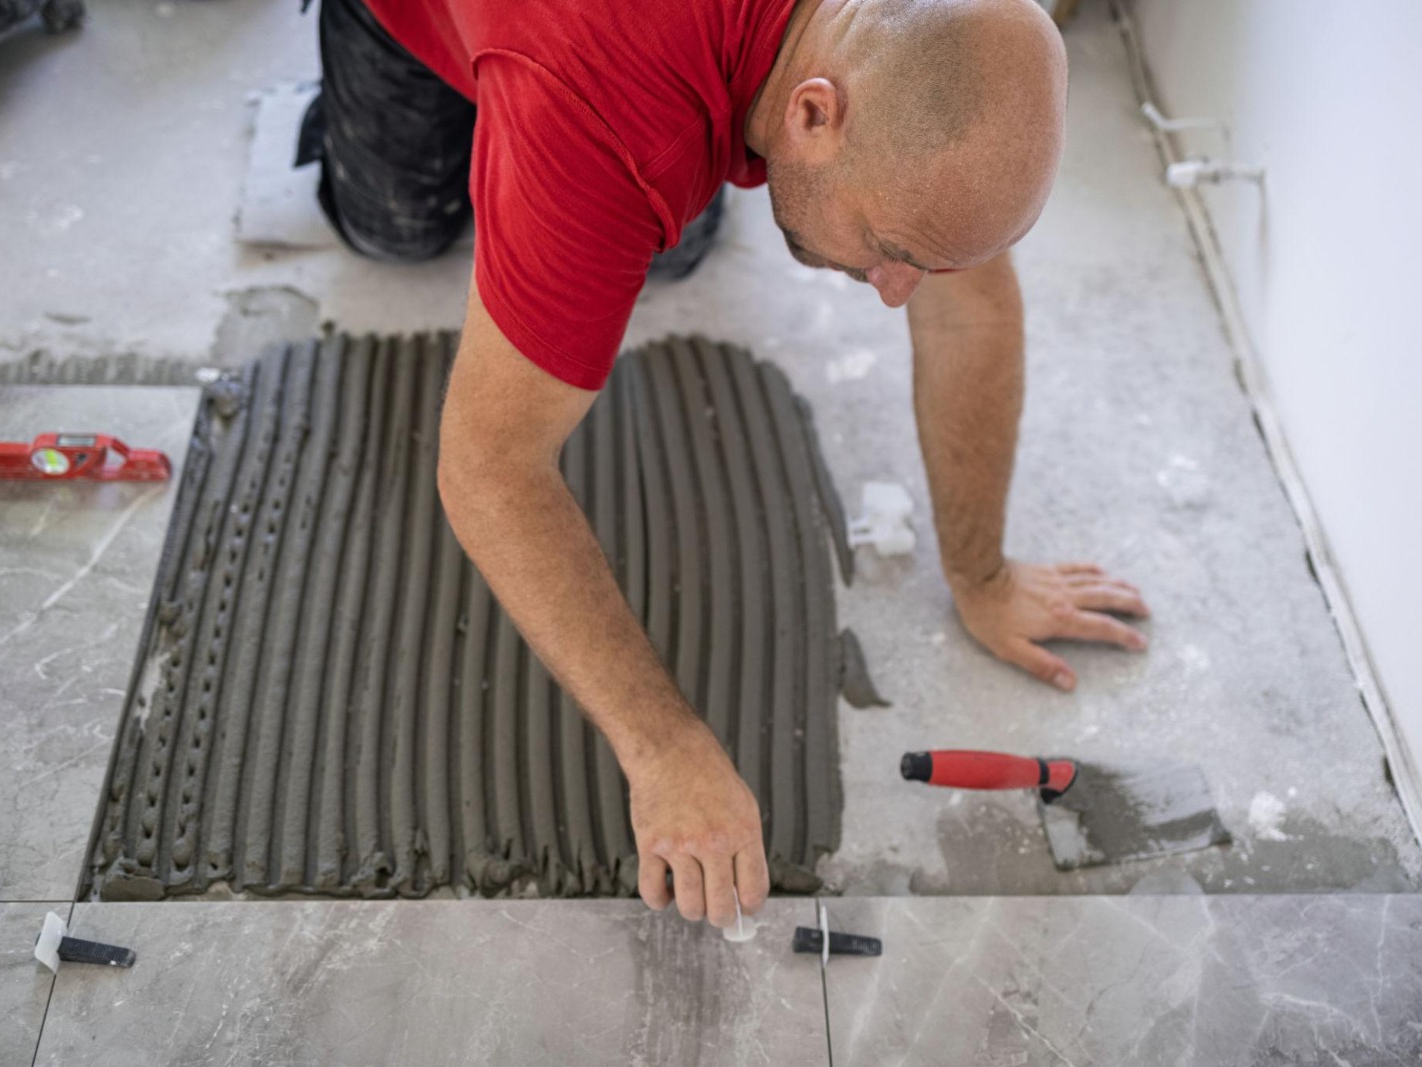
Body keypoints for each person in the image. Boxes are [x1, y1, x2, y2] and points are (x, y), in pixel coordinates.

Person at [312, 0, 1151, 930]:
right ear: (813, 112)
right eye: (891, 252)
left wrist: (982, 573)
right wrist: (664, 749)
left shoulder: (929, 43)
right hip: (477, 34)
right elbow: (488, 467)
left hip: (610, 69)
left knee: (673, 251)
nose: (894, 292)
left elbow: (968, 301)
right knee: (397, 228)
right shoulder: (607, 123)